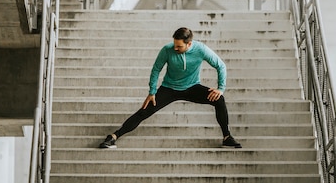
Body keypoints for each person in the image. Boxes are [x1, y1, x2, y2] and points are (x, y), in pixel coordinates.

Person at [99, 27, 242, 149]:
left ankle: (226, 137)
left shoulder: (201, 49)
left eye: (179, 46)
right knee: (143, 112)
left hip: (192, 87)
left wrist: (220, 88)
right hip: (169, 88)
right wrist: (152, 92)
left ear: (189, 44)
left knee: (219, 99)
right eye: (174, 44)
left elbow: (220, 65)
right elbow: (156, 69)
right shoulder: (167, 50)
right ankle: (113, 136)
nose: (175, 48)